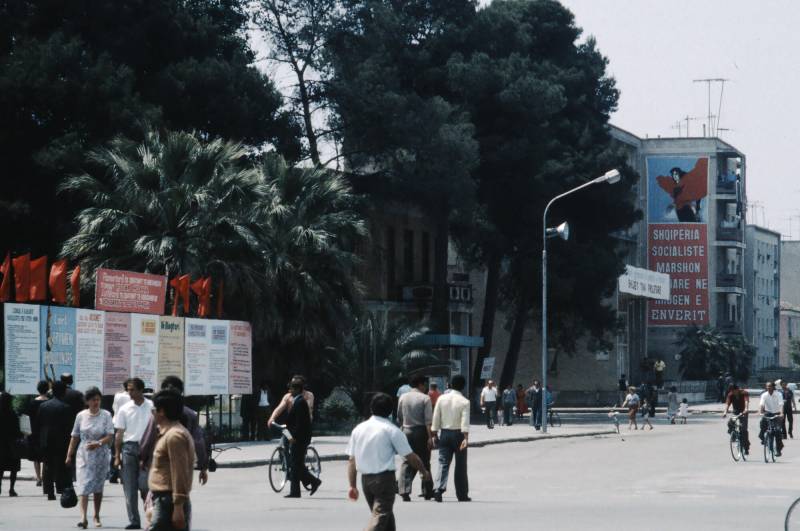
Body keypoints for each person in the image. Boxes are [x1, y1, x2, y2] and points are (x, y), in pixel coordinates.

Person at [346, 392, 430, 530]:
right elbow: (410, 456)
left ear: (371, 408)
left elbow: (351, 460)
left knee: (385, 518)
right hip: (384, 480)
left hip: (366, 481)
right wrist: (423, 471)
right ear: (391, 410)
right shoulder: (392, 430)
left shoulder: (358, 429)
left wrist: (352, 485)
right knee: (380, 516)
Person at [138, 376, 209, 492]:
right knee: (179, 494)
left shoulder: (158, 414)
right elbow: (198, 442)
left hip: (160, 466)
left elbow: (148, 438)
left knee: (160, 500)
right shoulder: (190, 414)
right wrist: (203, 466)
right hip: (183, 464)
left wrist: (142, 458)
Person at [147, 389, 195, 531]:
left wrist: (178, 507)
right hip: (162, 499)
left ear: (162, 412)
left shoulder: (175, 436)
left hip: (168, 501)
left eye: (153, 409)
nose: (152, 413)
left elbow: (179, 472)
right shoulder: (166, 432)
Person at [66, 387, 114, 529]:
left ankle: (96, 515)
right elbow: (74, 436)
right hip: (84, 454)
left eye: (98, 399)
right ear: (87, 401)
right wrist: (69, 454)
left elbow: (110, 435)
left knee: (98, 487)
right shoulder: (80, 415)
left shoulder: (106, 415)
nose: (96, 402)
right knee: (83, 486)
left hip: (100, 454)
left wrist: (98, 443)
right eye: (93, 400)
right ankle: (83, 517)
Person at [114, 378, 153, 530]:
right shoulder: (124, 409)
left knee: (146, 485)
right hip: (129, 448)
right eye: (128, 389)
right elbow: (119, 433)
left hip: (147, 448)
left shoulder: (151, 406)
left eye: (132, 389)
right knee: (129, 488)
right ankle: (134, 521)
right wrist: (117, 456)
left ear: (140, 390)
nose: (129, 392)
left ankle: (150, 516)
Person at [431, 375, 470, 502]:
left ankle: (438, 488)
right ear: (463, 386)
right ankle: (462, 494)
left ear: (451, 384)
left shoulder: (441, 399)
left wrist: (434, 434)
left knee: (443, 462)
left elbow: (436, 417)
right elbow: (465, 421)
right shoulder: (464, 401)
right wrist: (466, 437)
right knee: (460, 465)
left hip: (445, 434)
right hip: (459, 434)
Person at [396, 374, 433, 501]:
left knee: (407, 460)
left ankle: (404, 489)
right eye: (425, 384)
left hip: (406, 430)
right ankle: (427, 490)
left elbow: (399, 417)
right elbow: (428, 421)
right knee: (424, 460)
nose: (426, 387)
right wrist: (430, 438)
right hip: (421, 431)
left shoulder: (403, 397)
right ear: (420, 384)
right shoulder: (425, 398)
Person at [282, 378, 321, 498]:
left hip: (300, 439)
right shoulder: (297, 401)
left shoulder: (300, 402)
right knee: (296, 464)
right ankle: (299, 489)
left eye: (292, 388)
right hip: (299, 437)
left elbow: (300, 424)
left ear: (298, 389)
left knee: (295, 464)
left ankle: (309, 484)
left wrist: (292, 437)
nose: (290, 391)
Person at [37, 381, 74, 500]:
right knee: (61, 466)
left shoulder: (43, 406)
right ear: (63, 392)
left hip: (46, 440)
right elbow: (69, 427)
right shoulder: (66, 407)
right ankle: (62, 488)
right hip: (61, 440)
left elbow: (39, 423)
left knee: (48, 465)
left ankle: (49, 491)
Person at [26, 380, 50, 487]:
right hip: (46, 432)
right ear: (47, 389)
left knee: (36, 457)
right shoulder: (49, 402)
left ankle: (38, 478)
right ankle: (45, 477)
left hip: (34, 432)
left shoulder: (32, 403)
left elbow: (28, 418)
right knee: (45, 456)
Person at [110, 379, 132, 484]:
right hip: (127, 425)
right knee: (125, 450)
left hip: (115, 422)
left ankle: (113, 475)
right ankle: (124, 476)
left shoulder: (118, 396)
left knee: (114, 450)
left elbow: (114, 407)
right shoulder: (131, 397)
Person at [0, 391, 21, 497]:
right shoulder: (13, 414)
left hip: (1, 445)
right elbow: (18, 431)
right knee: (13, 468)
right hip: (12, 445)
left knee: (0, 468)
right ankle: (11, 489)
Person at [758, 381, 785, 457]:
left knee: (777, 431)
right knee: (762, 422)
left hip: (777, 413)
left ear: (773, 387)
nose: (768, 388)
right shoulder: (764, 395)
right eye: (767, 386)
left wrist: (781, 413)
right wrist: (760, 412)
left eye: (770, 386)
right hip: (768, 412)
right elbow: (762, 404)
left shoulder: (778, 394)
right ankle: (762, 437)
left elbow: (781, 405)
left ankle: (778, 450)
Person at [722, 383, 750, 455]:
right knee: (730, 422)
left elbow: (746, 401)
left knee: (743, 430)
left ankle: (746, 448)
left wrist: (746, 409)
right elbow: (727, 404)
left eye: (734, 391)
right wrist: (725, 412)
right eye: (731, 391)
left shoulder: (744, 393)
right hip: (736, 412)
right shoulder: (730, 395)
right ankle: (733, 434)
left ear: (737, 389)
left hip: (744, 412)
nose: (733, 392)